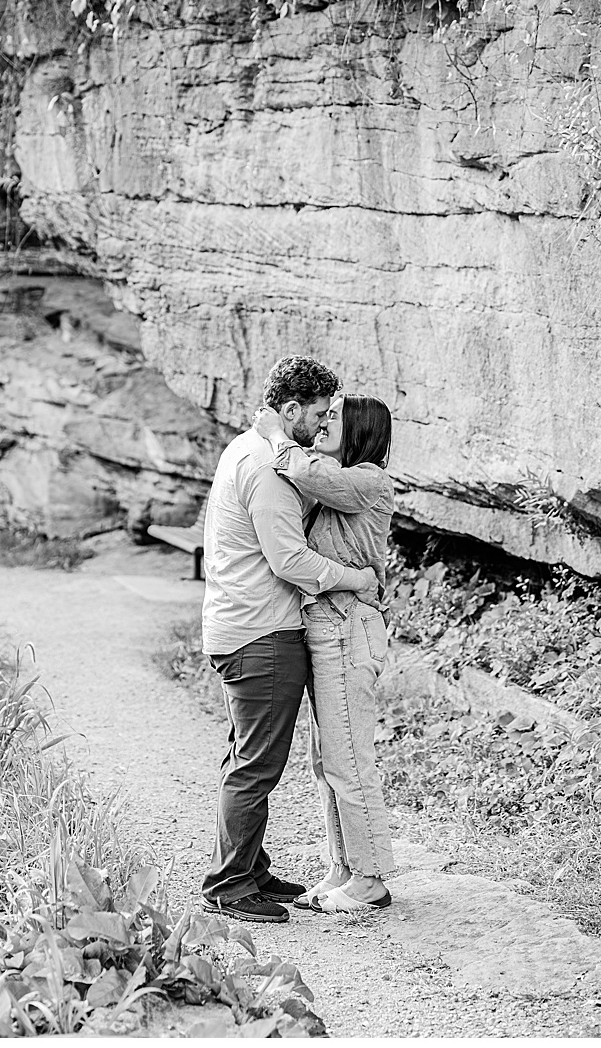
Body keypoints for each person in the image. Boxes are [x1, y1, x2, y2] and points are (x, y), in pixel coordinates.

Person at [199, 356, 381, 923]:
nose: (324, 423)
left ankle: (251, 870)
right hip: (262, 632)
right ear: (291, 409)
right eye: (320, 413)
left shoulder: (247, 448)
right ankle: (230, 884)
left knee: (247, 755)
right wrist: (357, 578)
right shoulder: (267, 468)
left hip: (243, 624)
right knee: (257, 765)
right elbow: (290, 561)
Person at [251, 394, 399, 913]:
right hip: (326, 625)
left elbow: (303, 470)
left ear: (359, 431)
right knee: (325, 761)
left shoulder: (369, 480)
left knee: (348, 760)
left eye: (334, 417)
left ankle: (370, 879)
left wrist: (276, 433)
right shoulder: (337, 479)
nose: (323, 423)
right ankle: (344, 868)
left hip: (348, 627)